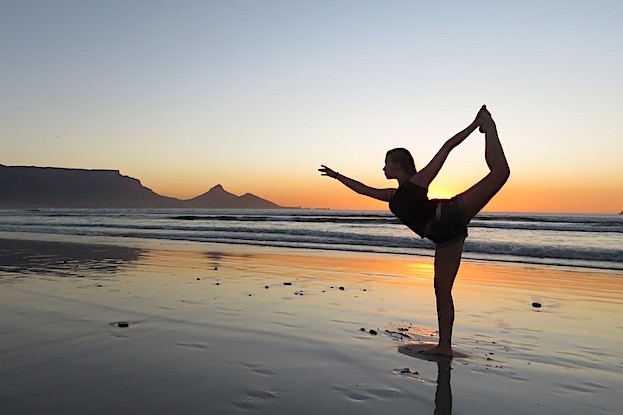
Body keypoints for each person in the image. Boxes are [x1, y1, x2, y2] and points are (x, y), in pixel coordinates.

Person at [319, 105, 509, 357]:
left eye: (386, 164)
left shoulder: (417, 182)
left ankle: (488, 126)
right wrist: (337, 176)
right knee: (441, 290)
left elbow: (446, 148)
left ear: (398, 165)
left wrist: (475, 126)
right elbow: (362, 189)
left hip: (450, 216)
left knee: (500, 174)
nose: (383, 169)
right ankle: (445, 346)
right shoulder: (393, 196)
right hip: (443, 235)